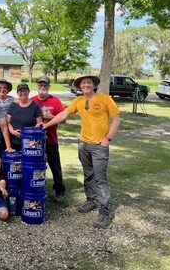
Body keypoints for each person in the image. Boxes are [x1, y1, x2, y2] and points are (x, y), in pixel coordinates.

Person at [43, 75, 120, 229]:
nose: (85, 85)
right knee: (88, 174)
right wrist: (46, 125)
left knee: (100, 178)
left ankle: (104, 213)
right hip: (83, 144)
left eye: (88, 83)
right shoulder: (78, 101)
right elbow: (63, 114)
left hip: (99, 146)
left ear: (93, 85)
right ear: (80, 86)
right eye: (83, 83)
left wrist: (108, 139)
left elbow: (116, 119)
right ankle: (91, 200)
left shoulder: (105, 99)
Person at [31, 76, 66, 202]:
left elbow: (64, 119)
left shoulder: (55, 101)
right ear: (37, 86)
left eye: (45, 85)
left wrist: (51, 116)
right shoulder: (32, 101)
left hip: (51, 140)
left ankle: (59, 190)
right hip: (35, 142)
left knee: (55, 167)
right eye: (40, 85)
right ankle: (37, 188)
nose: (43, 87)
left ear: (49, 87)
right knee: (36, 167)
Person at [7, 83, 43, 151]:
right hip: (14, 141)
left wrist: (32, 136)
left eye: (25, 90)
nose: (23, 93)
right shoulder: (13, 105)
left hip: (30, 142)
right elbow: (8, 122)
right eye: (20, 91)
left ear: (28, 92)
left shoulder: (35, 106)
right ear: (17, 93)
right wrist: (13, 132)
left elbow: (39, 124)